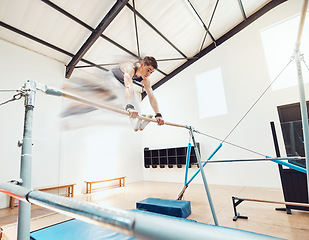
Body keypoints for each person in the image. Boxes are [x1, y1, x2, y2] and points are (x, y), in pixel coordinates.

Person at [111, 56, 164, 130]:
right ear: (142, 65)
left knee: (134, 101)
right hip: (111, 78)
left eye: (151, 72)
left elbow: (151, 96)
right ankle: (133, 118)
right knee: (126, 96)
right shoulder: (130, 68)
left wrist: (158, 114)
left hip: (122, 83)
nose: (148, 74)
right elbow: (128, 86)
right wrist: (129, 107)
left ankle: (137, 124)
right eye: (148, 70)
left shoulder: (145, 79)